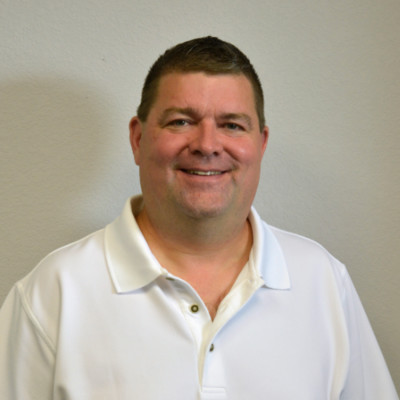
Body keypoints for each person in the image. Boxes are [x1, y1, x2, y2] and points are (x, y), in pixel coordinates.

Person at [0, 36, 398, 400]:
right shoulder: (53, 293)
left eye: (231, 125)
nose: (207, 145)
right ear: (138, 139)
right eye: (181, 121)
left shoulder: (323, 282)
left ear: (260, 144)